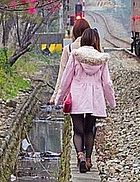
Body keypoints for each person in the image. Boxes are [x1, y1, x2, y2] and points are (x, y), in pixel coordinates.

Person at [56, 28, 116, 173]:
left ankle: (80, 156)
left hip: (77, 97)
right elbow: (107, 83)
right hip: (94, 98)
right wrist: (111, 102)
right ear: (96, 41)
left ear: (82, 40)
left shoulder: (75, 56)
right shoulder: (101, 58)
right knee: (90, 130)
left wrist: (59, 98)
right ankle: (89, 159)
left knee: (78, 131)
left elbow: (66, 79)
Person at [49, 18, 90, 106]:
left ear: (74, 32)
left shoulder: (69, 49)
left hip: (74, 92)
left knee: (76, 117)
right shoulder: (96, 48)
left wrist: (56, 95)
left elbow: (62, 74)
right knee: (90, 118)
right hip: (92, 93)